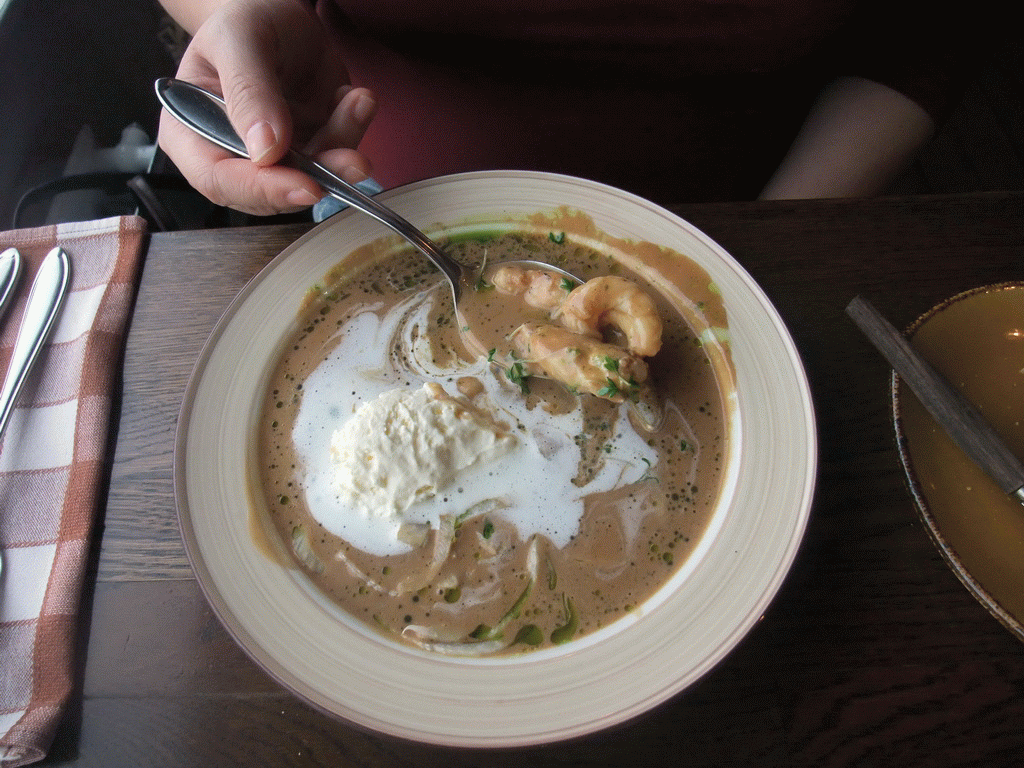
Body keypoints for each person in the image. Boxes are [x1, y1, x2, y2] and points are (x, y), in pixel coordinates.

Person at [156, 0, 986, 217]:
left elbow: (921, 27)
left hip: (769, 205)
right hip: (382, 200)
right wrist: (240, 15)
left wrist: (775, 241)